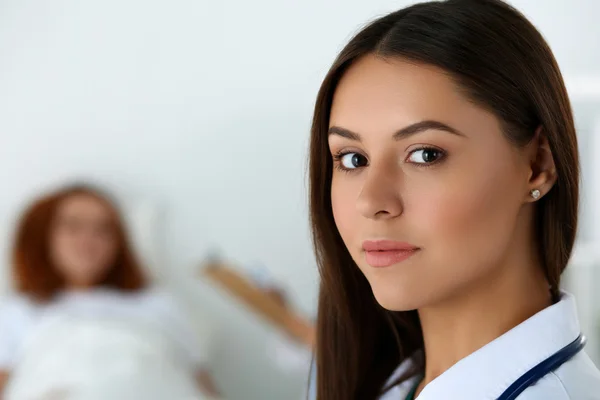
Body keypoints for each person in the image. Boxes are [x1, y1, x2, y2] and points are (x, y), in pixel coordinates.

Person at [308, 0, 600, 399]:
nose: (371, 200)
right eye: (352, 159)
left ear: (538, 165)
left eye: (425, 154)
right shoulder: (395, 381)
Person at [0, 184, 220, 397]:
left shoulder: (158, 303)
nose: (88, 240)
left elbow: (203, 386)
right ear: (43, 237)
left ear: (119, 243)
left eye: (103, 230)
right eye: (73, 227)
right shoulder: (18, 310)